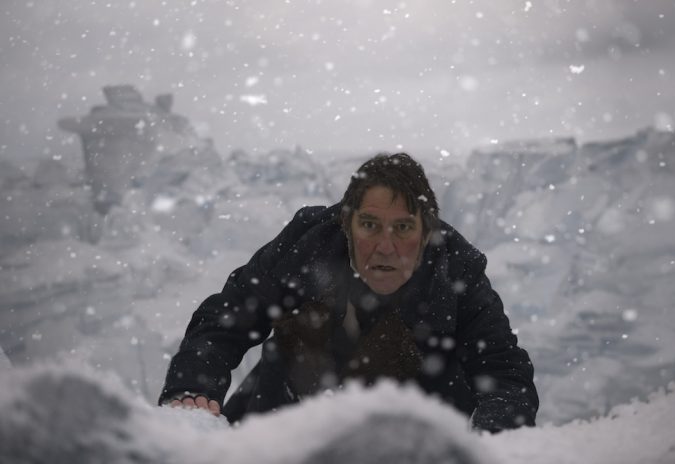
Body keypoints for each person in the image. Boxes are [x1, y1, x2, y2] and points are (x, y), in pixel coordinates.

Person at [159, 152, 539, 432]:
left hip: (414, 435)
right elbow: (228, 317)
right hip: (284, 423)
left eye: (403, 228)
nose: (386, 246)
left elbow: (504, 375)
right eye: (370, 225)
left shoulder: (456, 267)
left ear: (427, 233)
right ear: (346, 224)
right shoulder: (307, 244)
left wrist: (490, 437)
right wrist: (193, 389)